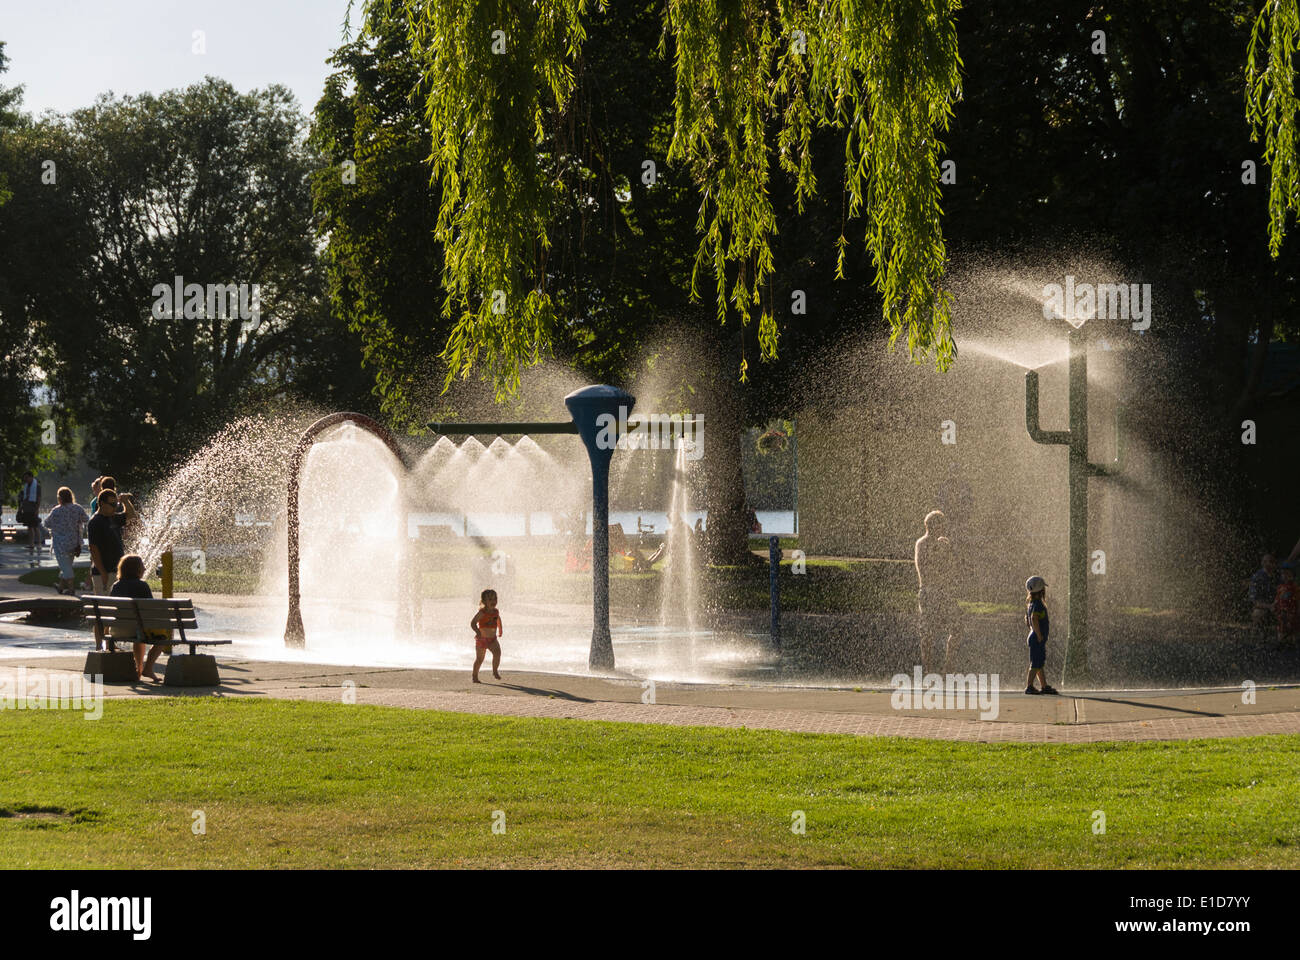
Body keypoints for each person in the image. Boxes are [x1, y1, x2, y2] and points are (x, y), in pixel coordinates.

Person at [914, 509, 962, 673]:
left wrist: (947, 550)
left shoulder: (942, 544)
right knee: (928, 633)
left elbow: (952, 568)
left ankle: (948, 668)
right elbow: (925, 569)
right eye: (941, 524)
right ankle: (928, 670)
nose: (943, 528)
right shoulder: (923, 543)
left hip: (943, 592)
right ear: (932, 526)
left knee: (956, 628)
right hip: (929, 592)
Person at [109, 554, 168, 682]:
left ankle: (139, 669)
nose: (145, 569)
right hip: (134, 630)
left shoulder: (116, 585)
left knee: (139, 634)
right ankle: (148, 668)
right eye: (142, 566)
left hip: (116, 630)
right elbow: (150, 610)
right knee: (162, 638)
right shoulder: (142, 586)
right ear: (136, 570)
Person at [87, 490, 132, 648]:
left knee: (112, 611)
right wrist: (103, 573)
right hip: (102, 574)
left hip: (115, 572)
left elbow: (131, 516)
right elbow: (94, 549)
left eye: (115, 504)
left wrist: (125, 502)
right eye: (112, 504)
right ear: (101, 504)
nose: (115, 507)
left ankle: (109, 644)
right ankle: (100, 646)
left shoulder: (113, 518)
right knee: (101, 612)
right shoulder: (95, 522)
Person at [42, 487, 89, 595]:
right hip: (74, 542)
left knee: (65, 566)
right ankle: (61, 586)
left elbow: (46, 524)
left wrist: (57, 526)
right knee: (66, 565)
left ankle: (72, 589)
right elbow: (86, 519)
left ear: (60, 498)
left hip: (60, 544)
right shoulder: (77, 508)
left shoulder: (56, 510)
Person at [1024, 575, 1058, 695]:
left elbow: (1027, 620)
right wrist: (1038, 634)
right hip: (1037, 638)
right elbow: (1033, 619)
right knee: (1035, 663)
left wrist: (1032, 630)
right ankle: (1029, 686)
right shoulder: (1038, 604)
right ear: (1041, 590)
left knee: (1039, 663)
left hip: (1033, 636)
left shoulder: (1031, 604)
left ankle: (1044, 686)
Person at [470, 588, 503, 683]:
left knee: (497, 653)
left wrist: (500, 629)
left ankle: (495, 671)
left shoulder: (495, 611)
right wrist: (477, 632)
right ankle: (474, 676)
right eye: (490, 599)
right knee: (480, 659)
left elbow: (498, 619)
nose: (493, 601)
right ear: (484, 601)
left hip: (492, 639)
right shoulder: (482, 613)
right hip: (482, 639)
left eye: (495, 599)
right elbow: (473, 623)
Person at [1249, 552, 1279, 633]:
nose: (1268, 564)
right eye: (1265, 561)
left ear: (1275, 564)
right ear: (1262, 563)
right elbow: (1254, 601)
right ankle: (1256, 637)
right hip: (1263, 606)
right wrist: (1269, 606)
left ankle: (1287, 638)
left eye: (1271, 561)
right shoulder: (1257, 577)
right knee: (1257, 613)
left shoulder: (1279, 576)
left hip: (1278, 605)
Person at [17, 471, 41, 556]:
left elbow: (38, 498)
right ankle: (31, 544)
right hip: (26, 508)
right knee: (29, 527)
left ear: (31, 477)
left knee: (35, 526)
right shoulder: (26, 486)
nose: (25, 479)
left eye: (27, 477)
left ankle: (38, 543)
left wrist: (37, 509)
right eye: (25, 478)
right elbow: (24, 497)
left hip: (33, 508)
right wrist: (21, 508)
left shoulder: (37, 486)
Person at [1275, 562, 1298, 649]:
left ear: (1292, 575)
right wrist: (1274, 606)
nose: (1285, 576)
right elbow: (1277, 599)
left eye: (1288, 574)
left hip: (1292, 610)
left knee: (1293, 626)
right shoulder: (1280, 587)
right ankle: (1280, 642)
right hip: (1281, 610)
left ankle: (1293, 642)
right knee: (1281, 626)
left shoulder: (1295, 587)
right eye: (1283, 574)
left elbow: (1298, 600)